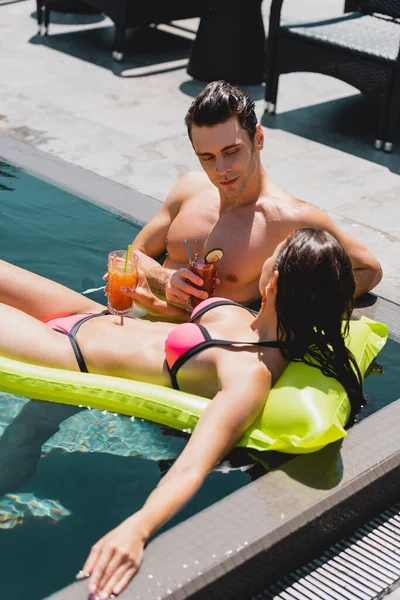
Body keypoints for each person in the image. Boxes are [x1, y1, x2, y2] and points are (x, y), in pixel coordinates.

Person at [0, 228, 363, 599]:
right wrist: (156, 303)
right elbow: (184, 323)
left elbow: (193, 466)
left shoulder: (249, 374)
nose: (269, 253)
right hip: (87, 313)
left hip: (65, 350)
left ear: (274, 282)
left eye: (277, 251)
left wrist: (137, 529)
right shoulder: (252, 320)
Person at [127, 80, 382, 314]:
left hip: (208, 348)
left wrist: (295, 303)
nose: (221, 169)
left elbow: (369, 269)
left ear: (258, 138)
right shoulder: (189, 190)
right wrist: (164, 278)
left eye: (232, 151)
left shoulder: (289, 219)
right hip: (145, 324)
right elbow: (133, 253)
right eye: (207, 157)